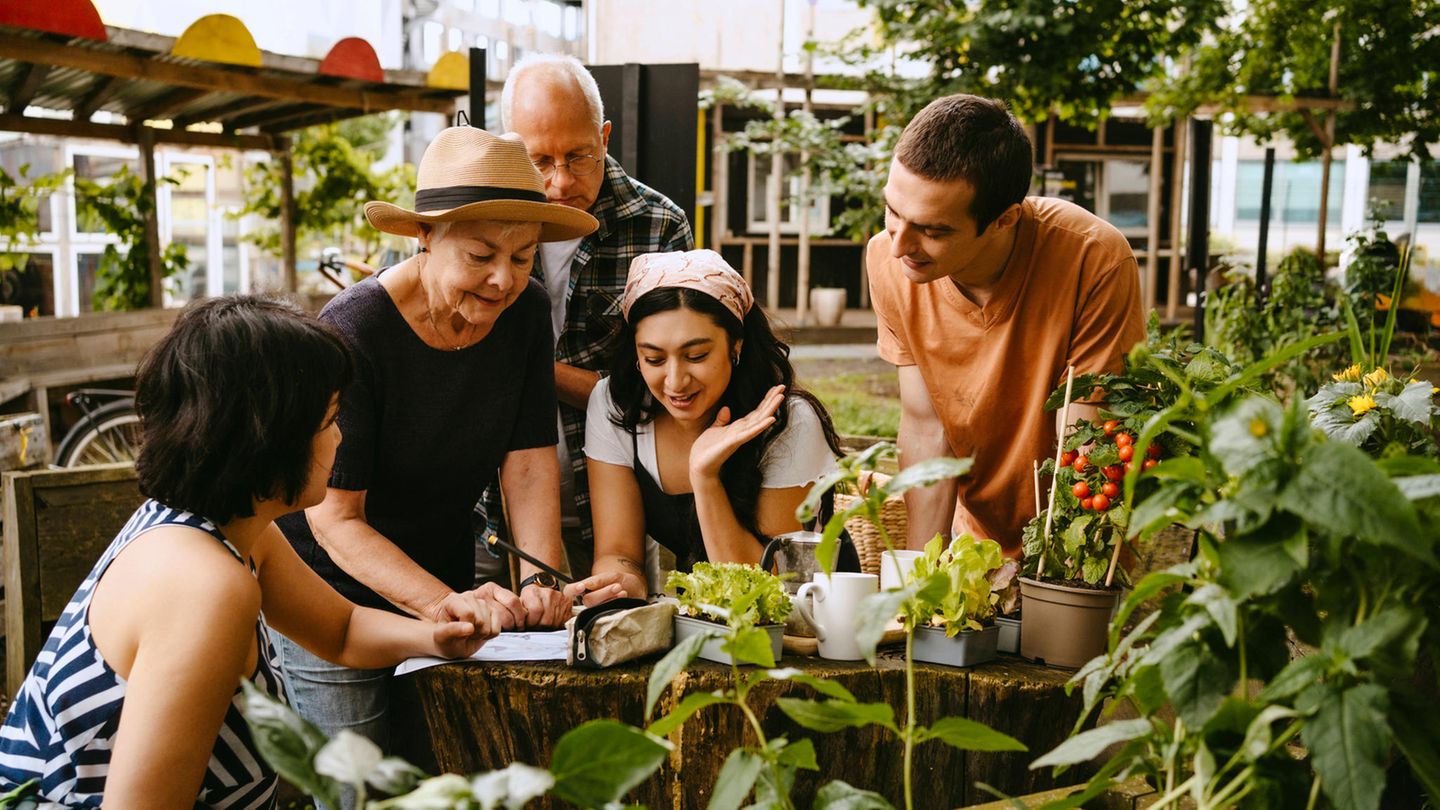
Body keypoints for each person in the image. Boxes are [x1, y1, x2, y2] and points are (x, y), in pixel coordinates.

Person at [0, 296, 500, 809]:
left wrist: (436, 634)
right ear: (271, 436)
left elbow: (341, 631)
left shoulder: (224, 527)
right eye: (330, 419)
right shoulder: (204, 589)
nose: (341, 437)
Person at [273, 126, 626, 776]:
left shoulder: (523, 314)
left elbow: (526, 463)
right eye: (481, 254)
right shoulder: (353, 333)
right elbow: (334, 519)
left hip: (439, 573)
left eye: (523, 258)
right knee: (359, 786)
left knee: (441, 769)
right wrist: (443, 605)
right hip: (327, 591)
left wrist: (542, 581)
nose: (502, 279)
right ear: (424, 236)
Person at [867, 94, 1146, 556]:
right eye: (893, 213)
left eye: (933, 231)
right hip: (974, 544)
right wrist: (918, 582)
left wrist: (1051, 578)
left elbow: (1085, 444)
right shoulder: (887, 259)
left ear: (1004, 220)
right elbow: (924, 429)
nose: (900, 246)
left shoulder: (1092, 259)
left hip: (1077, 548)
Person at [479, 52, 694, 583]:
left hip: (612, 502)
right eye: (539, 161)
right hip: (488, 501)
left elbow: (659, 388)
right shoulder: (475, 219)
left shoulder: (657, 227)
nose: (559, 182)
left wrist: (530, 369)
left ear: (605, 136)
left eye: (578, 156)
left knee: (620, 643)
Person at [585, 249, 854, 596]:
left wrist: (705, 477)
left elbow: (771, 586)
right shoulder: (617, 403)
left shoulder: (788, 420)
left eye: (696, 356)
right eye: (653, 358)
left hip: (813, 618)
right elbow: (619, 553)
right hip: (714, 616)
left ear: (735, 345)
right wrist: (617, 585)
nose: (675, 381)